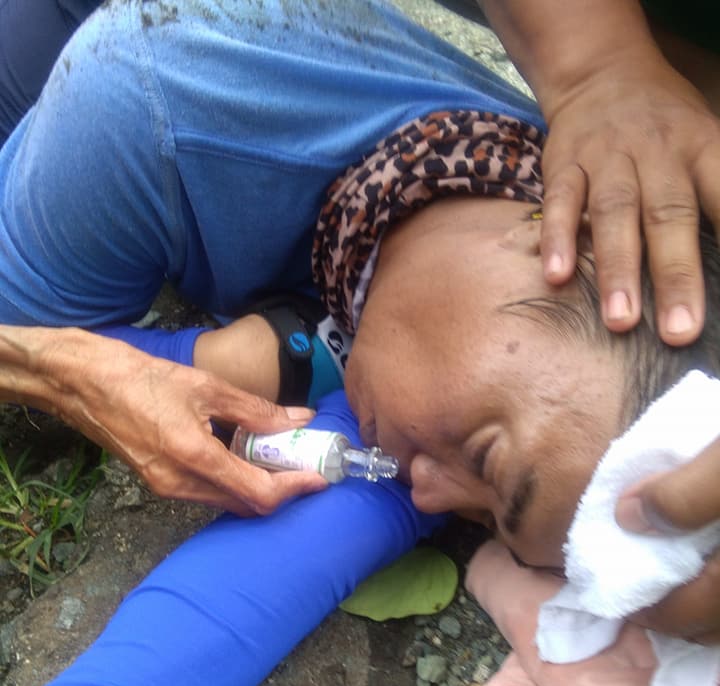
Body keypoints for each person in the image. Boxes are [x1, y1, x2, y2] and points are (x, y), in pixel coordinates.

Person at [1, 0, 719, 641]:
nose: (425, 494)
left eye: (483, 521)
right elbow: (22, 350)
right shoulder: (148, 112)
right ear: (562, 239)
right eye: (485, 459)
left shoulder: (518, 167)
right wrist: (165, 365)